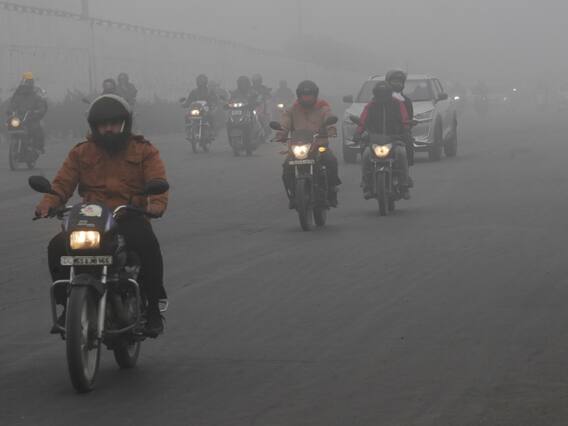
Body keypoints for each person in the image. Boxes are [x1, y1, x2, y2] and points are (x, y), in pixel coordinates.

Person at [34, 94, 169, 337]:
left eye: (113, 123)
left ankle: (153, 310)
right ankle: (68, 305)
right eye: (102, 125)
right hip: (90, 218)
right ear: (94, 126)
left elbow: (157, 180)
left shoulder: (144, 150)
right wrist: (48, 204)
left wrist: (156, 205)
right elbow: (62, 184)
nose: (108, 129)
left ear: (125, 123)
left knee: (147, 244)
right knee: (57, 246)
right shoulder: (81, 152)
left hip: (127, 216)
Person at [276, 80, 341, 207]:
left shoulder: (323, 108)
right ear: (299, 96)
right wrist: (281, 134)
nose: (306, 98)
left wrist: (330, 130)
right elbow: (285, 123)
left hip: (319, 145)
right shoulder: (291, 110)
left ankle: (332, 191)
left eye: (309, 95)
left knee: (331, 160)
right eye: (303, 95)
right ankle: (292, 195)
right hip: (297, 147)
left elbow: (329, 119)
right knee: (286, 167)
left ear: (315, 95)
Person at [354, 81, 411, 200]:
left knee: (401, 153)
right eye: (380, 94)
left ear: (390, 93)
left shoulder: (398, 104)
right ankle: (366, 184)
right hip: (375, 140)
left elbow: (405, 119)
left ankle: (404, 185)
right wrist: (358, 133)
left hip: (395, 139)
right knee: (366, 155)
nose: (382, 96)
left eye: (385, 93)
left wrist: (405, 131)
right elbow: (362, 121)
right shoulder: (370, 106)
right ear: (375, 94)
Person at [7, 72, 48, 153]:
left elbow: (41, 105)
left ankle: (38, 147)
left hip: (31, 118)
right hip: (19, 117)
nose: (26, 85)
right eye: (25, 82)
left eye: (28, 82)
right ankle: (16, 145)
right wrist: (10, 110)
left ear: (31, 83)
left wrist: (38, 111)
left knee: (37, 128)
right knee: (10, 123)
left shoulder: (36, 95)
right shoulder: (18, 95)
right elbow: (12, 104)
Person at [385, 69, 415, 166]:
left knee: (409, 142)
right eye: (394, 81)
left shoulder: (406, 101)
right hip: (380, 133)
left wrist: (406, 127)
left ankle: (406, 169)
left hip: (400, 133)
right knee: (365, 145)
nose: (397, 84)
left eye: (399, 82)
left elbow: (409, 120)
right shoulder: (377, 100)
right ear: (388, 82)